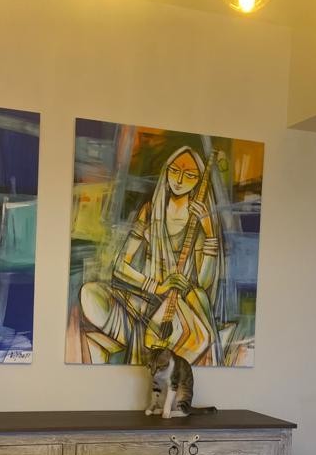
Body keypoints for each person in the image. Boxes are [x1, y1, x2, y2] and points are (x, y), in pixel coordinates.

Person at [79, 145, 223, 365]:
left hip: (182, 303)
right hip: (147, 297)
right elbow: (120, 267)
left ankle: (145, 340)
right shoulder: (150, 211)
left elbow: (203, 284)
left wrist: (210, 233)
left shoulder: (199, 221)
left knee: (197, 334)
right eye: (174, 171)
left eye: (189, 175)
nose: (179, 180)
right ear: (166, 171)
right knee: (90, 293)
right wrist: (158, 287)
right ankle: (142, 335)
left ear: (198, 180)